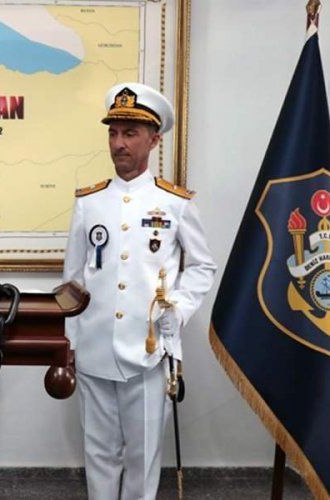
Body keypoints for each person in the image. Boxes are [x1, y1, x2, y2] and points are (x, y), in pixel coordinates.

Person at [63, 82, 216, 499]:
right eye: (113, 133)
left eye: (130, 133)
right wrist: (70, 343)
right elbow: (73, 279)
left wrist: (178, 309)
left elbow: (202, 266)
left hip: (149, 351)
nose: (119, 143)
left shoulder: (175, 203)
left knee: (143, 455)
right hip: (94, 347)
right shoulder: (89, 202)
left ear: (154, 139)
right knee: (98, 453)